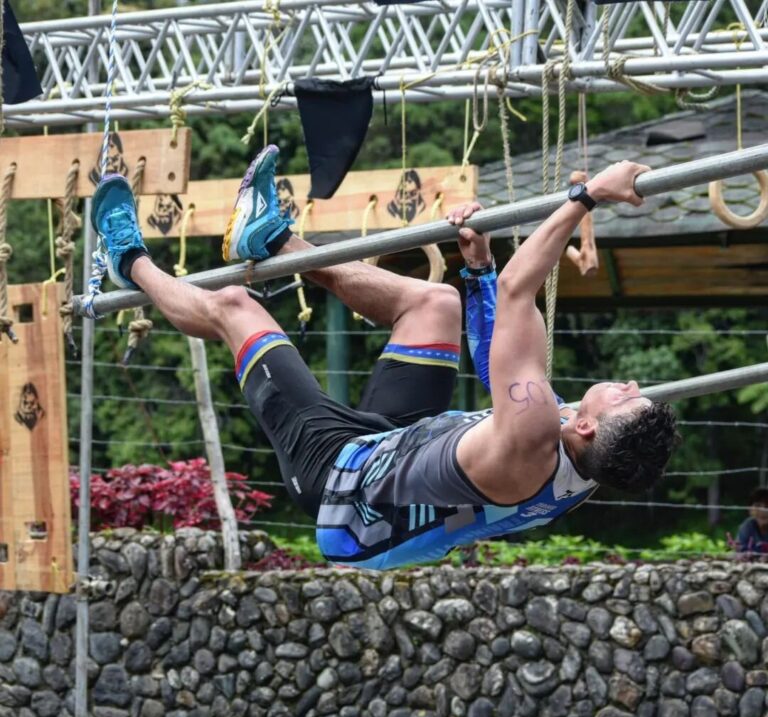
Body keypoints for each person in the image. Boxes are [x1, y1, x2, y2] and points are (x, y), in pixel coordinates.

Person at [91, 145, 679, 570]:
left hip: (343, 485)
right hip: (404, 451)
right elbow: (497, 362)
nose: (626, 382)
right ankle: (269, 240)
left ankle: (128, 260)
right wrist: (477, 270)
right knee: (437, 302)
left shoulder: (533, 435)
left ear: (583, 424)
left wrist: (588, 195)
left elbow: (520, 291)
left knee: (236, 306)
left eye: (627, 395)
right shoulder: (593, 460)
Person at [736, 487, 768, 553]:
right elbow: (740, 550)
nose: (763, 510)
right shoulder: (747, 526)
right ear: (750, 510)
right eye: (758, 505)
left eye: (767, 506)